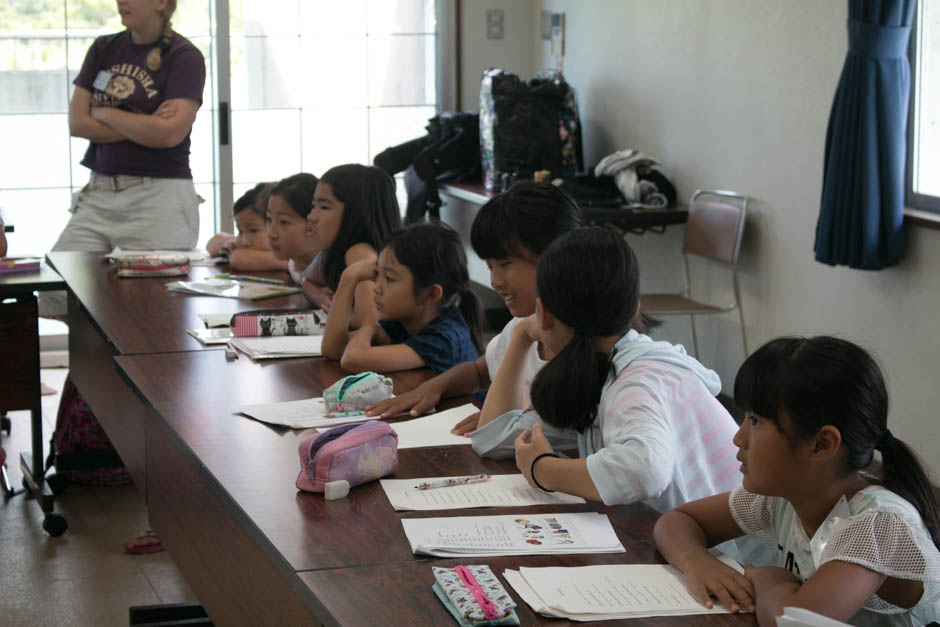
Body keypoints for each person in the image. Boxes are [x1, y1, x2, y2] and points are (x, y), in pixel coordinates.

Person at [653, 336, 940, 625]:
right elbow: (677, 521)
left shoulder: (876, 526)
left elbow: (796, 625)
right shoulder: (782, 498)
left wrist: (771, 582)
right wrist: (696, 563)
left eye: (755, 422)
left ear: (821, 445)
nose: (738, 438)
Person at [470, 227, 742, 515]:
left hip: (734, 553)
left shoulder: (638, 381)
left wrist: (543, 468)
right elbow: (492, 439)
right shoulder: (593, 370)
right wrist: (523, 334)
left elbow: (644, 470)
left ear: (544, 314)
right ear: (635, 309)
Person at [364, 182, 582, 420]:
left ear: (554, 255)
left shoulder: (588, 348)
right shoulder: (519, 327)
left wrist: (513, 423)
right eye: (490, 267)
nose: (495, 281)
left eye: (505, 264)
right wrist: (434, 388)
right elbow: (479, 372)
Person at [44, 0, 205, 320]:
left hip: (158, 197)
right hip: (100, 193)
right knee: (55, 291)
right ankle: (89, 367)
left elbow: (169, 135)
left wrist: (102, 114)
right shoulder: (105, 48)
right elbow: (77, 124)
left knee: (151, 308)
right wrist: (144, 123)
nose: (121, 1)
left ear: (161, 3)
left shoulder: (184, 56)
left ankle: (107, 369)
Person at [334, 223, 483, 375]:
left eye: (389, 278)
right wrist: (349, 279)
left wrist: (369, 326)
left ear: (430, 295)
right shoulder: (403, 319)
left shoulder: (443, 337)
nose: (376, 287)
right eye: (377, 273)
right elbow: (333, 349)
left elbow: (352, 359)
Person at [315, 164, 402, 358]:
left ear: (356, 213)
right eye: (314, 206)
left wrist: (341, 311)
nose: (311, 216)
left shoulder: (359, 251)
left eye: (324, 207)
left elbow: (368, 324)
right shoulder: (346, 252)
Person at [263, 172, 332, 307]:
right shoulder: (294, 262)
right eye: (268, 219)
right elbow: (304, 281)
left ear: (313, 222)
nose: (271, 233)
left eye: (283, 222)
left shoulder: (334, 266)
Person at [206, 182, 286, 272]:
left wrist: (286, 263)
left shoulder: (291, 255)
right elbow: (212, 244)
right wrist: (231, 242)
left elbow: (238, 259)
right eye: (240, 231)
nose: (245, 242)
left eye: (253, 230)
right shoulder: (246, 242)